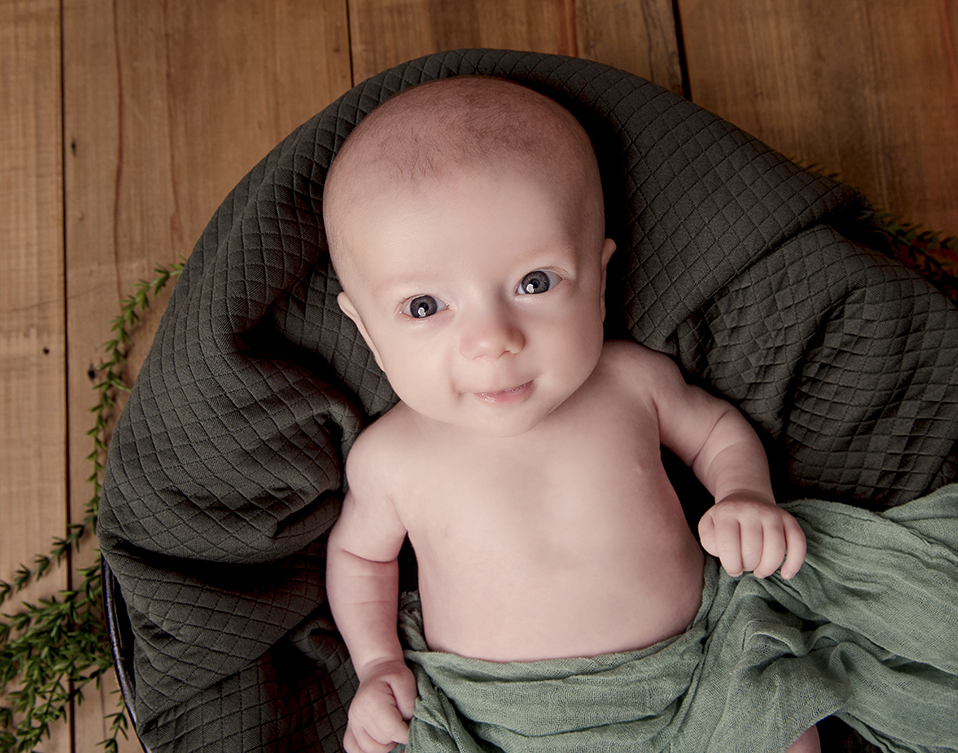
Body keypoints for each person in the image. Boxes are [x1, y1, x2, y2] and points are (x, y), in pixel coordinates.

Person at [323, 76, 816, 753]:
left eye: (534, 283)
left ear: (600, 279)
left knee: (777, 707)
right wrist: (377, 664)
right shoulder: (391, 457)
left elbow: (717, 431)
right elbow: (357, 557)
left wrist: (744, 494)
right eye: (424, 307)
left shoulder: (629, 380)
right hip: (498, 720)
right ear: (367, 331)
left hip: (696, 672)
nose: (492, 339)